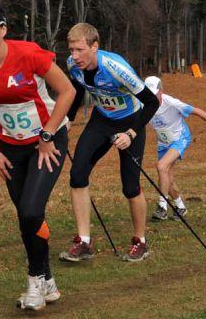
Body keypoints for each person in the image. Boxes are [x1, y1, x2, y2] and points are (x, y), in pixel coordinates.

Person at [0, 1, 77, 310]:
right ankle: (48, 283)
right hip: (10, 147)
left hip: (47, 142)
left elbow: (68, 92)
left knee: (30, 211)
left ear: (3, 30)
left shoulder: (28, 54)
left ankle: (35, 280)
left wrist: (48, 134)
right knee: (28, 216)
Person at [60, 23, 160, 264]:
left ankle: (140, 242)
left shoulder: (115, 68)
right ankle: (84, 242)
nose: (74, 56)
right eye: (71, 50)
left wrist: (132, 133)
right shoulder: (73, 65)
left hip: (131, 121)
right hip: (101, 121)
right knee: (77, 175)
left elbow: (151, 102)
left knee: (130, 186)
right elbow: (75, 89)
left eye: (80, 50)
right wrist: (68, 119)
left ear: (95, 47)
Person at [142, 76, 206, 222]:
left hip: (179, 138)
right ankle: (180, 207)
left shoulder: (172, 103)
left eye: (154, 93)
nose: (151, 96)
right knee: (167, 177)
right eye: (148, 93)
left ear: (161, 91)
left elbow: (197, 111)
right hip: (163, 142)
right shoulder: (142, 103)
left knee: (161, 166)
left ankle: (162, 208)